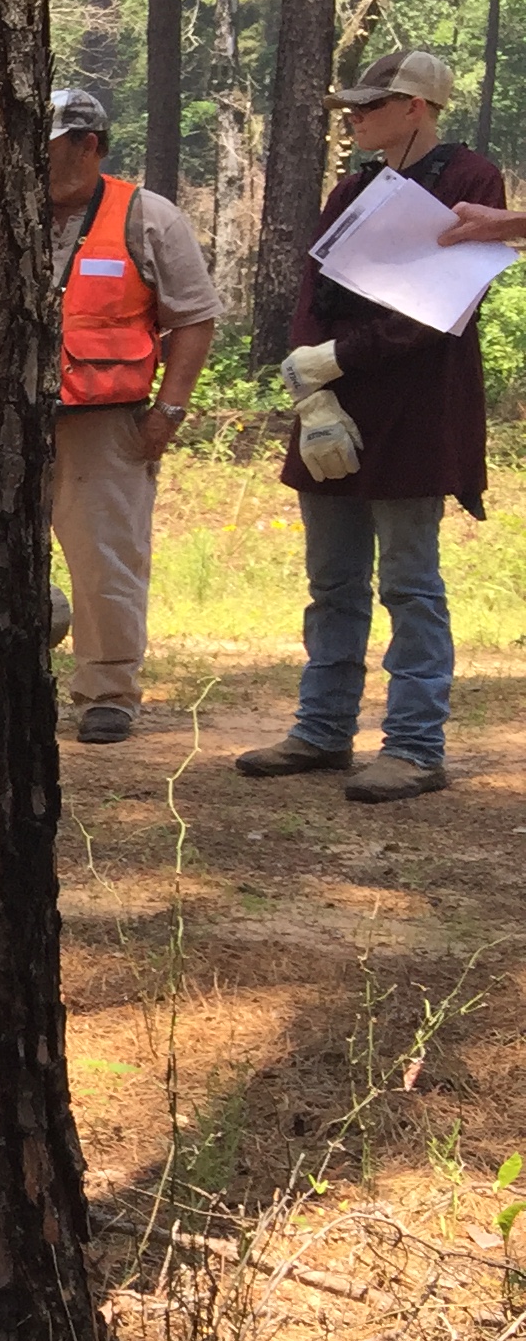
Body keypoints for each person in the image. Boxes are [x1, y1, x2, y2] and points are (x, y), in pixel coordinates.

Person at [238, 49, 505, 802]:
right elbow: (312, 286)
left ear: (415, 106)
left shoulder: (471, 181)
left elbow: (443, 303)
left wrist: (340, 359)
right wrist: (308, 384)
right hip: (336, 406)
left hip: (415, 411)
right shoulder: (349, 188)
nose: (355, 118)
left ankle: (416, 747)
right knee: (332, 582)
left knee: (411, 584)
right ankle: (322, 731)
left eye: (370, 106)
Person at [44, 89, 218, 745]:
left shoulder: (148, 218)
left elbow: (195, 318)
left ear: (89, 146)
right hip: (3, 422)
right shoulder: (4, 210)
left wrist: (168, 413)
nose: (38, 162)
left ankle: (107, 690)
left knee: (105, 558)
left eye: (51, 147)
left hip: (105, 423)